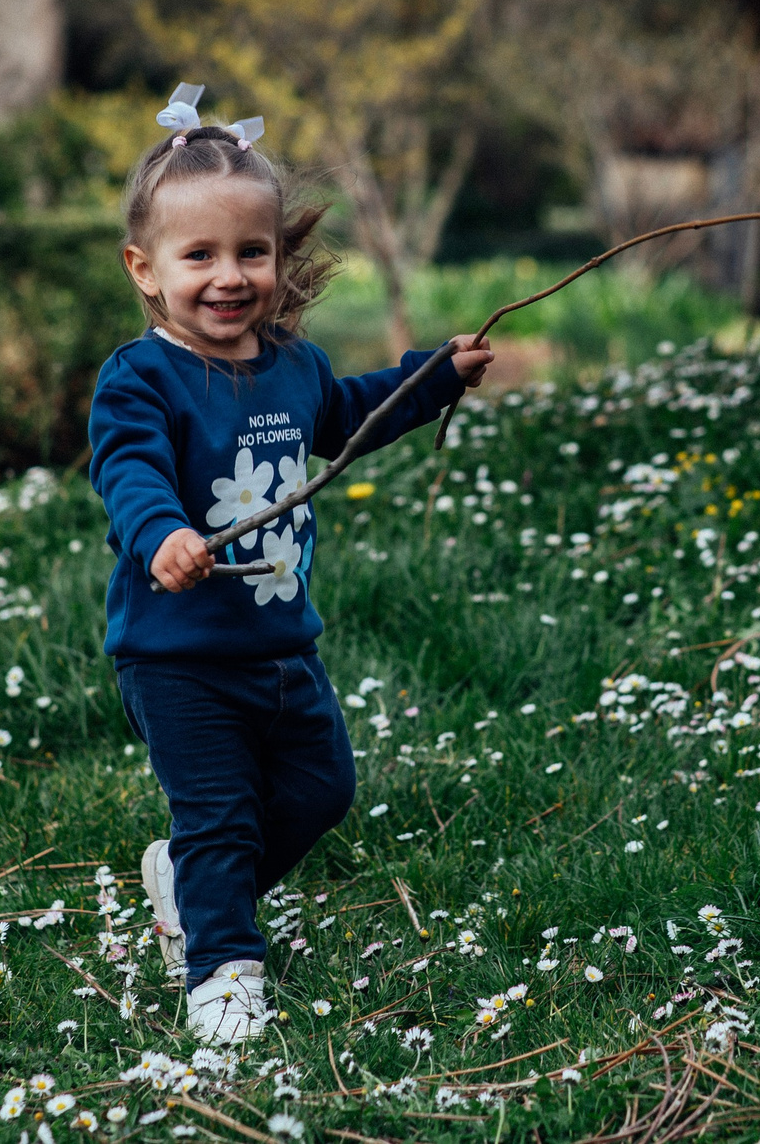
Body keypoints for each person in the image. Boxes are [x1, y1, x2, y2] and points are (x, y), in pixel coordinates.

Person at [87, 85, 491, 1045]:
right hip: (179, 652)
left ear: (278, 258)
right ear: (146, 269)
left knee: (322, 788)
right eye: (200, 256)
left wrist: (433, 377)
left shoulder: (292, 364)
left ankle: (189, 884)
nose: (229, 276)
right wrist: (163, 536)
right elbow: (129, 468)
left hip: (280, 643)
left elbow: (350, 415)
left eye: (251, 252)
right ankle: (223, 973)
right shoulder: (138, 378)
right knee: (221, 813)